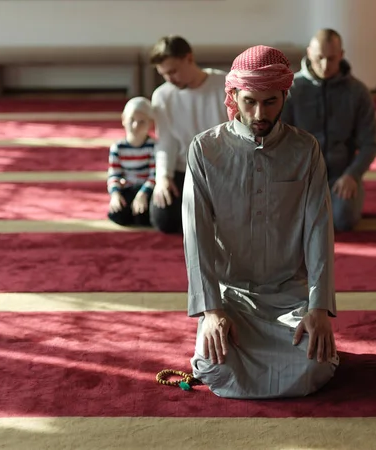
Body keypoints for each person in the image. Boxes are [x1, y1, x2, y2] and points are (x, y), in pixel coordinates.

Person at [181, 45, 339, 400]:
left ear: (285, 95)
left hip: (288, 297)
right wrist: (211, 311)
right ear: (234, 95)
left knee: (318, 363)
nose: (258, 113)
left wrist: (318, 308)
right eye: (250, 101)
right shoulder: (204, 150)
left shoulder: (305, 150)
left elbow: (318, 230)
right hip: (231, 298)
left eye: (270, 102)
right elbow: (197, 236)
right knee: (213, 365)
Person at [281, 28, 376, 232]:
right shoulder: (291, 90)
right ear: (309, 53)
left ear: (341, 56)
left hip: (340, 175)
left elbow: (370, 143)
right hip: (301, 176)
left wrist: (352, 175)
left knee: (343, 219)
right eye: (319, 58)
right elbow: (279, 140)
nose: (325, 66)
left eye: (331, 59)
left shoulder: (358, 92)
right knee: (286, 223)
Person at [149, 35, 229, 234]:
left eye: (173, 71)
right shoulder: (163, 95)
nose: (170, 79)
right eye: (164, 74)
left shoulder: (225, 84)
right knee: (164, 220)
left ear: (189, 58)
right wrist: (162, 178)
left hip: (220, 170)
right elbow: (165, 143)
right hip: (183, 170)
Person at [107, 96, 156, 227]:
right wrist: (115, 194)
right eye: (132, 120)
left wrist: (143, 193)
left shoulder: (153, 146)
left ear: (150, 123)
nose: (135, 125)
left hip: (146, 189)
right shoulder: (118, 147)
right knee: (117, 214)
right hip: (128, 187)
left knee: (143, 217)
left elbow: (154, 175)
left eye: (142, 122)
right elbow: (114, 175)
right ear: (123, 119)